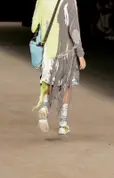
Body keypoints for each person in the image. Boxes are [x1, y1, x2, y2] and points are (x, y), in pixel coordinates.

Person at [31, 0, 86, 135]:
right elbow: (74, 29)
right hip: (66, 50)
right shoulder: (70, 1)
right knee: (66, 86)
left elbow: (33, 27)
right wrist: (80, 54)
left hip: (49, 50)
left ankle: (45, 107)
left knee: (48, 82)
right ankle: (63, 123)